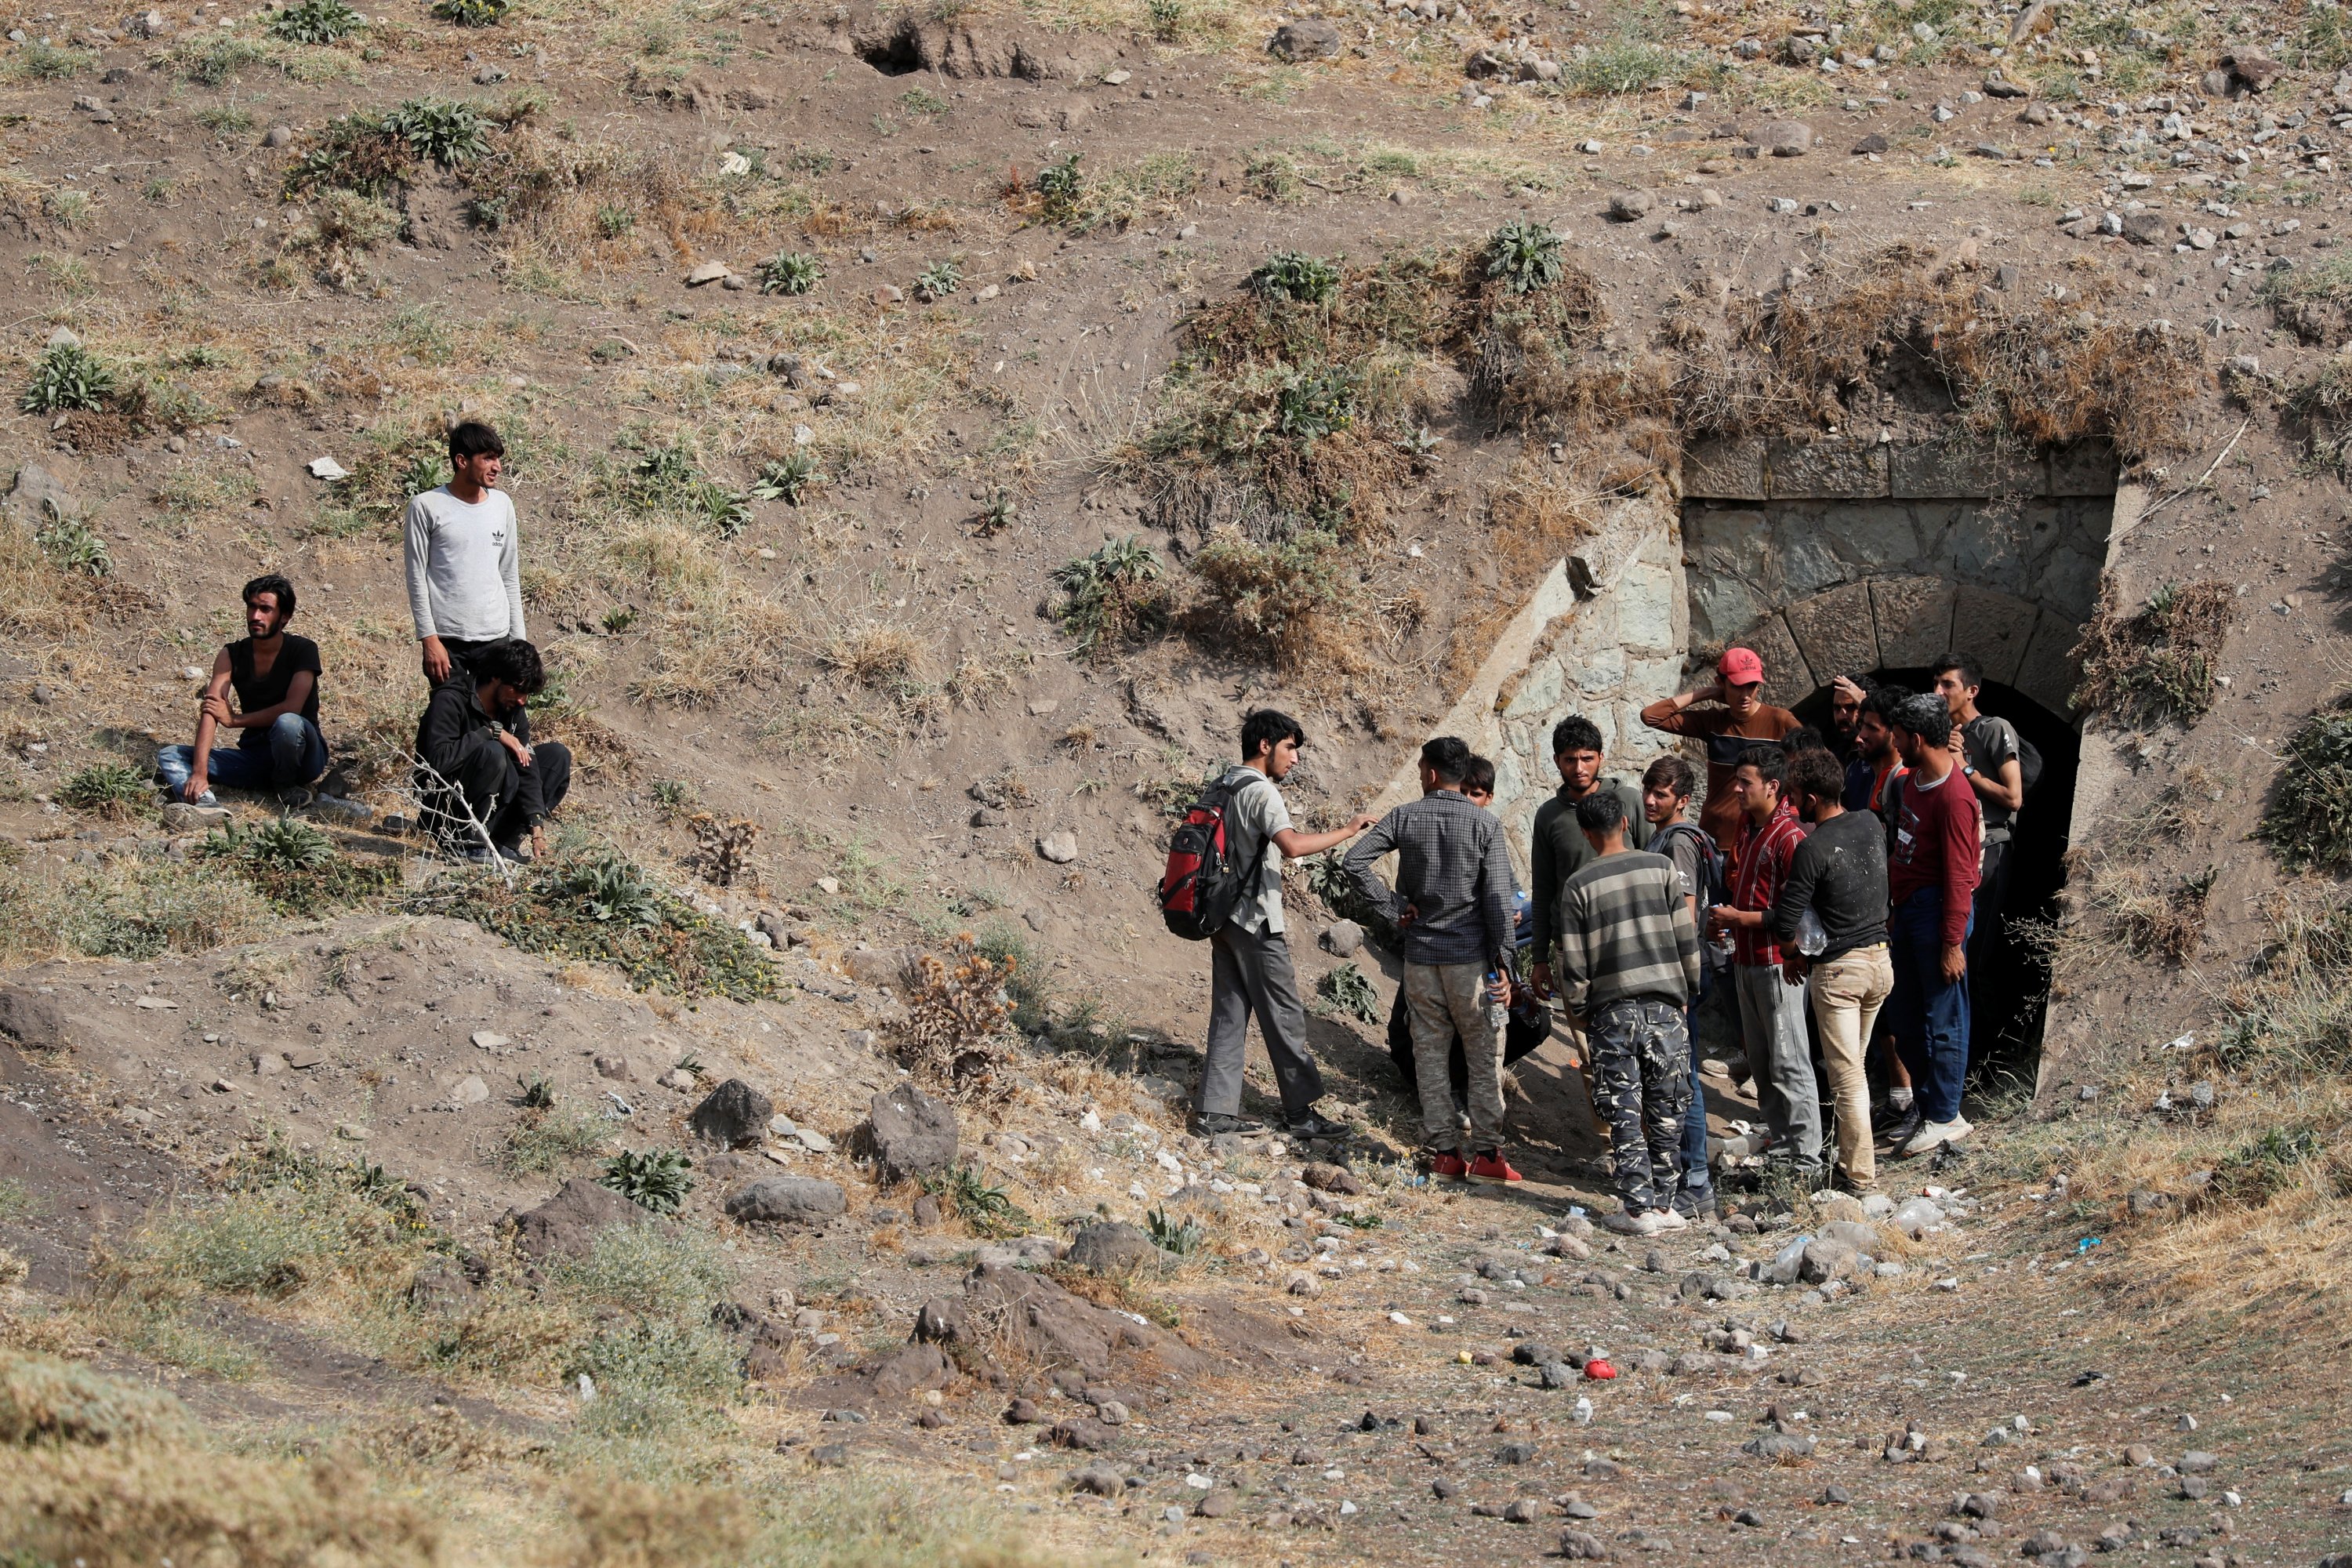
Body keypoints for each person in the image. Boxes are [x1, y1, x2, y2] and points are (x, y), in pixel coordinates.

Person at [1192, 710, 1378, 1141]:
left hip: (1223, 919)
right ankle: (1301, 1115)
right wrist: (1347, 830)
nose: (1295, 759)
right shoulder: (1262, 792)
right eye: (1290, 748)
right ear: (1265, 745)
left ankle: (1215, 1113)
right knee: (1286, 1016)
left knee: (1229, 1012)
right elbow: (1292, 847)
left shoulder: (1223, 783)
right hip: (1257, 920)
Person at [1345, 737, 1523, 1184]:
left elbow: (1354, 862)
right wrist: (1505, 964)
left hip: (1421, 960)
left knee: (1429, 1054)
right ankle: (1487, 1155)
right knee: (1484, 1057)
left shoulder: (1405, 817)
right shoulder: (1485, 826)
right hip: (1471, 963)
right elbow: (1500, 901)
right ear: (1461, 774)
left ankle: (1444, 1153)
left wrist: (1392, 906)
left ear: (1428, 773)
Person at [1553, 789, 1700, 1236]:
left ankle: (1636, 1209)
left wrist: (1578, 1008)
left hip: (1611, 1014)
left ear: (1585, 833)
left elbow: (1573, 962)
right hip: (1665, 1006)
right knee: (1667, 1105)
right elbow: (1685, 937)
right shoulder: (1660, 869)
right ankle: (1664, 1205)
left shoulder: (1578, 886)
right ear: (1624, 823)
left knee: (1624, 1108)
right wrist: (1688, 988)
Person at [1384, 758, 1549, 1105]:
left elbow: (1513, 897)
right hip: (1444, 951)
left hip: (1482, 950)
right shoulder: (1432, 836)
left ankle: (1468, 1084)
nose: (1468, 801)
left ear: (1488, 798)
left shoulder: (1487, 837)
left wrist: (1504, 925)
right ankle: (1445, 1094)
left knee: (1521, 1012)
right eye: (1463, 792)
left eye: (1476, 794)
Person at [1769, 748, 1893, 1193]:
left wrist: (1790, 954)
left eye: (1796, 795)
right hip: (1881, 963)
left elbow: (1786, 922)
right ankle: (1847, 1165)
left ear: (1813, 798)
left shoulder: (1813, 846)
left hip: (1841, 972)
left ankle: (1860, 1177)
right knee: (1854, 1067)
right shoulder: (1870, 823)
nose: (1791, 802)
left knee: (1847, 1078)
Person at [1705, 745, 1822, 1181]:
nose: (1736, 789)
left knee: (1790, 1059)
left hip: (1778, 964)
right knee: (1763, 1061)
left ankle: (1807, 1157)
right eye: (1736, 780)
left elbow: (1803, 909)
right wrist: (1726, 924)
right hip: (1746, 961)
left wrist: (1741, 919)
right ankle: (1782, 1142)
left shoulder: (1791, 837)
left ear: (1773, 787)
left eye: (1745, 782)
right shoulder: (1749, 829)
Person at [1886, 692, 1983, 1157]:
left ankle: (1946, 1115)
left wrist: (1951, 943)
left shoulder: (1955, 797)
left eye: (1900, 737)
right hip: (1907, 913)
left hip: (1938, 913)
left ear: (1918, 739)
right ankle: (1930, 1109)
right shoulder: (1911, 782)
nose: (1895, 744)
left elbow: (1961, 876)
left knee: (1944, 1018)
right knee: (1904, 1018)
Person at [157, 574, 328, 808]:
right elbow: (212, 708)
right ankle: (205, 805)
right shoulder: (231, 654)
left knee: (288, 723)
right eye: (252, 607)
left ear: (284, 617)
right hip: (256, 758)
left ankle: (286, 785)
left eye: (266, 609)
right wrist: (199, 772)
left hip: (303, 758)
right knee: (170, 755)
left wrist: (234, 720)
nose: (256, 616)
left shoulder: (304, 650)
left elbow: (292, 708)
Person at [1641, 753, 1720, 1219]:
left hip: (1676, 974)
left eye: (1662, 795)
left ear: (1683, 801)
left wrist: (1675, 978)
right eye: (1648, 790)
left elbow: (1685, 917)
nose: (1651, 800)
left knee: (1682, 1079)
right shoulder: (1663, 837)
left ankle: (1696, 1182)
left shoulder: (1680, 843)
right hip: (1676, 973)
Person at [413, 638, 572, 863]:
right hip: (447, 809)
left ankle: (502, 842)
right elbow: (437, 763)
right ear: (496, 677)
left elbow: (525, 767)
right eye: (517, 689)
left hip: (491, 806)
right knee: (493, 751)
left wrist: (537, 828)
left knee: (556, 756)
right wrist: (489, 733)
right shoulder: (449, 700)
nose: (521, 700)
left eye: (526, 693)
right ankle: (467, 844)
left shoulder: (513, 710)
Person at [1639, 647, 1800, 858]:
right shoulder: (1713, 721)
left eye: (1752, 686)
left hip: (1763, 839)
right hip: (1716, 839)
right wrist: (1706, 693)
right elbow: (1651, 716)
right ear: (1721, 683)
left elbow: (1817, 767)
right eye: (1737, 686)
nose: (1745, 695)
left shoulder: (1780, 721)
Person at [406, 420, 525, 687]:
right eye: (488, 459)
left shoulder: (502, 505)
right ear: (462, 461)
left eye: (498, 458)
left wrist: (519, 643)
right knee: (450, 721)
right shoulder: (426, 506)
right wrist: (429, 639)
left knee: (496, 723)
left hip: (496, 640)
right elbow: (416, 578)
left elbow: (509, 575)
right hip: (448, 643)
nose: (498, 467)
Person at [1932, 652, 2026, 987]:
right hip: (1953, 846)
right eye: (1936, 683)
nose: (1938, 692)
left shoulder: (1994, 729)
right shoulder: (1941, 735)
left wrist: (1965, 768)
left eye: (1947, 684)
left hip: (1990, 846)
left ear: (1972, 691)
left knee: (1973, 948)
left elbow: (2014, 798)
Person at [1842, 684, 1910, 816]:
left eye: (1872, 728)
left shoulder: (1903, 780)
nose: (1861, 735)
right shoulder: (1881, 774)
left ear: (1895, 732)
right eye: (1862, 726)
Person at [1828, 674, 1871, 760]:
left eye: (1851, 708)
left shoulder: (1883, 753)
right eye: (1837, 708)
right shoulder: (1838, 755)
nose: (1841, 716)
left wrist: (1868, 707)